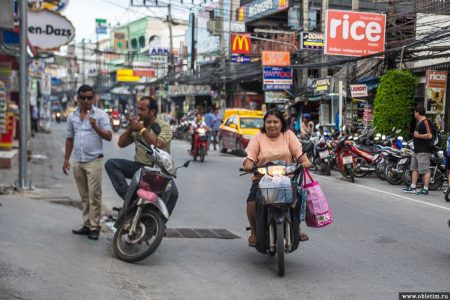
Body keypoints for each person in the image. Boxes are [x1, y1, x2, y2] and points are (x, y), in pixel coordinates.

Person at [242, 108, 312, 247]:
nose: (272, 125)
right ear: (264, 124)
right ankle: (254, 232)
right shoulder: (258, 137)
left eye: (275, 122)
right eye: (268, 122)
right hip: (262, 178)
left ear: (281, 123)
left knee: (297, 198)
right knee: (251, 202)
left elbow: (299, 153)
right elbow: (249, 157)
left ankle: (296, 227)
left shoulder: (288, 135)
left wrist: (305, 161)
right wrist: (248, 164)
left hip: (286, 177)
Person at [63, 85, 112, 240]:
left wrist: (95, 126)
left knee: (94, 196)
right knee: (84, 196)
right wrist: (66, 159)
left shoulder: (101, 115)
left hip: (93, 161)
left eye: (89, 98)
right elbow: (70, 138)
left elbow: (109, 136)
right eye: (83, 98)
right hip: (78, 160)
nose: (86, 101)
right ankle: (86, 224)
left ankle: (95, 227)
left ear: (93, 98)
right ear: (78, 98)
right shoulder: (72, 116)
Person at [105, 96, 172, 200]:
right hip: (140, 168)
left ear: (152, 111)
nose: (139, 112)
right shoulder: (138, 126)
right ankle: (128, 195)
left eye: (143, 109)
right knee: (111, 164)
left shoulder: (164, 126)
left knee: (173, 195)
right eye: (138, 109)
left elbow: (158, 143)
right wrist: (129, 129)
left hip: (158, 171)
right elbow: (121, 144)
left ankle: (161, 216)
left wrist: (142, 129)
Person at [402, 105, 433, 195]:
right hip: (416, 150)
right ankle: (413, 187)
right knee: (414, 168)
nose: (414, 114)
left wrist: (418, 135)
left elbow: (430, 135)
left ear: (417, 113)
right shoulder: (419, 123)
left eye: (414, 112)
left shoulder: (426, 122)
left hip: (424, 151)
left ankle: (425, 189)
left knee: (425, 170)